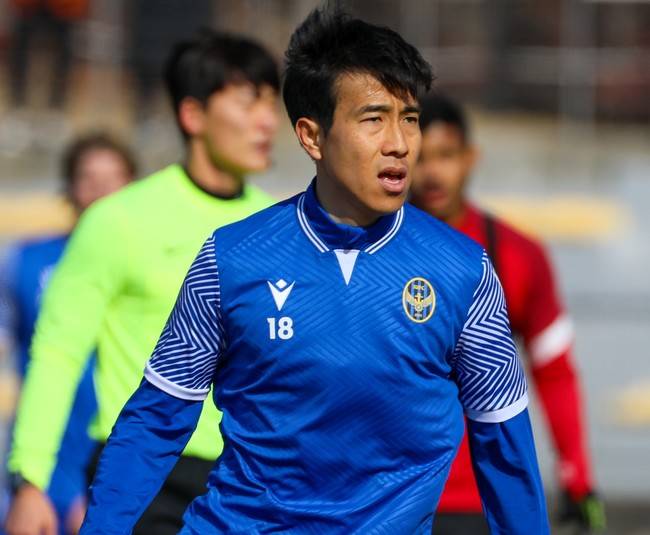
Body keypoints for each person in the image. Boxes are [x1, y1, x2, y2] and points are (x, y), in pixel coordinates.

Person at [80, 8, 550, 534]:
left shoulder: (464, 271)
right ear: (312, 136)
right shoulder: (230, 259)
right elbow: (156, 418)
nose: (398, 143)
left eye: (409, 118)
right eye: (373, 119)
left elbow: (503, 441)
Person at [5, 30, 280, 535]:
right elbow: (58, 352)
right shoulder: (118, 220)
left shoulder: (277, 227)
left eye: (270, 103)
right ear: (193, 115)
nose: (267, 121)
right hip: (144, 476)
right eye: (248, 103)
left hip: (250, 479)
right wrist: (29, 480)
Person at [410, 93, 606, 534]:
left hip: (485, 499)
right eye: (421, 158)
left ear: (470, 158)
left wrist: (577, 478)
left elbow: (554, 372)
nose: (433, 172)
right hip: (395, 499)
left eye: (445, 155)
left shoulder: (518, 255)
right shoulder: (369, 252)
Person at [0, 132, 136, 535]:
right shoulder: (28, 261)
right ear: (69, 187)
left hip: (116, 455)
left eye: (113, 178)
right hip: (43, 458)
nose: (101, 190)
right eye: (88, 178)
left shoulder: (154, 268)